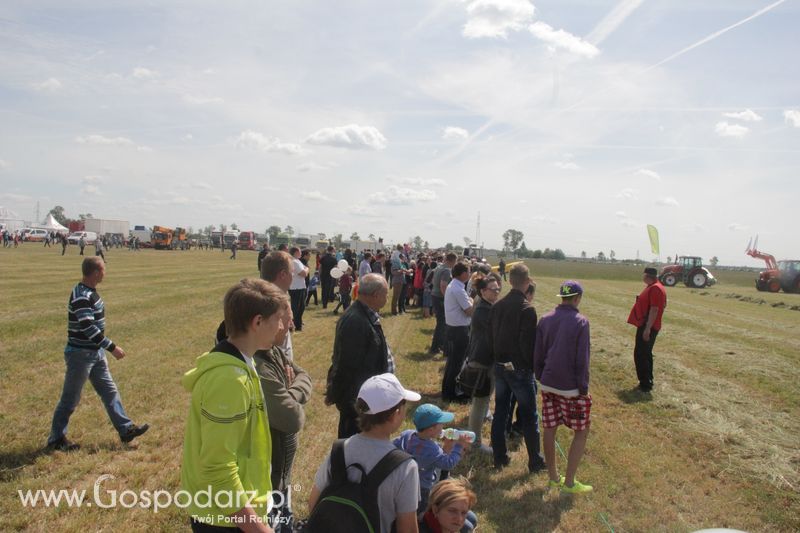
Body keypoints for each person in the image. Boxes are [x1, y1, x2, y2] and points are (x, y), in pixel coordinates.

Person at [181, 278, 284, 532]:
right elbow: (218, 468)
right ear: (257, 322)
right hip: (224, 519)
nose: (282, 326)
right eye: (277, 320)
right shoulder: (230, 380)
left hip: (235, 510)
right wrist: (258, 528)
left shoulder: (242, 364)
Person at [47, 257, 149, 451]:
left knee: (110, 391)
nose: (105, 273)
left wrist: (103, 349)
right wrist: (112, 348)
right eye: (103, 270)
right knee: (70, 398)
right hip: (80, 354)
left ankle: (126, 429)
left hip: (95, 353)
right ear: (95, 273)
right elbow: (88, 328)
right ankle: (56, 439)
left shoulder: (90, 293)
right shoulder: (81, 296)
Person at [309, 373, 421, 533]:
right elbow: (408, 529)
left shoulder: (339, 450)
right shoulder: (405, 466)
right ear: (395, 414)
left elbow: (313, 504)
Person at [254, 304, 313, 532]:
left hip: (281, 474)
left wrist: (288, 392)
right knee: (274, 519)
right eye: (284, 320)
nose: (290, 325)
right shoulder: (261, 364)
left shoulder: (275, 351)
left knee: (283, 513)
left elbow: (304, 375)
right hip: (269, 475)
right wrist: (290, 393)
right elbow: (292, 418)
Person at [535, 280, 593, 494]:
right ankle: (569, 482)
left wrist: (540, 376)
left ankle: (552, 478)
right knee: (582, 429)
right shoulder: (581, 322)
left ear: (562, 297)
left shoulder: (545, 319)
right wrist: (583, 388)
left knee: (550, 427)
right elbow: (582, 359)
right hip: (570, 388)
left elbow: (538, 352)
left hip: (548, 383)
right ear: (577, 298)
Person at [488, 263, 545, 472]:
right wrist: (530, 369)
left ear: (509, 281)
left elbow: (492, 336)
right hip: (519, 370)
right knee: (530, 416)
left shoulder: (497, 306)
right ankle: (535, 461)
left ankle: (499, 456)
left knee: (501, 412)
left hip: (500, 365)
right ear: (527, 281)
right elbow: (527, 345)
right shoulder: (527, 309)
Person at [325, 273, 393, 438]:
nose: (387, 297)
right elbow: (346, 365)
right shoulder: (356, 321)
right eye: (385, 294)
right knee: (355, 445)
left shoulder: (365, 314)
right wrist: (349, 402)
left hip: (367, 396)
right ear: (376, 295)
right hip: (358, 402)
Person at [393, 404, 471, 517]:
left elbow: (393, 445)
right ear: (431, 429)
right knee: (421, 511)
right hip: (423, 487)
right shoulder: (432, 449)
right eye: (441, 424)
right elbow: (448, 464)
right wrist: (458, 447)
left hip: (404, 482)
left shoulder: (407, 435)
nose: (443, 425)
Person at [465, 275, 502, 454]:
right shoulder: (484, 311)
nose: (497, 292)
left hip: (483, 359)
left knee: (482, 401)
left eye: (498, 289)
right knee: (480, 403)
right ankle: (475, 443)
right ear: (482, 291)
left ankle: (474, 440)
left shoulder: (485, 306)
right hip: (482, 361)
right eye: (493, 289)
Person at [627, 266, 667, 392]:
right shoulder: (655, 287)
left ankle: (645, 384)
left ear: (647, 276)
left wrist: (647, 328)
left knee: (641, 354)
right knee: (645, 353)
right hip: (647, 324)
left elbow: (655, 309)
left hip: (648, 326)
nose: (642, 277)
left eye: (643, 275)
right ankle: (647, 380)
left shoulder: (655, 288)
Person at [442, 261, 473, 402]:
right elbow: (469, 311)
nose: (470, 273)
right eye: (468, 271)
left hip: (453, 328)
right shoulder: (458, 289)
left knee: (452, 362)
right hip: (459, 330)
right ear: (463, 274)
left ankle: (447, 391)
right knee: (456, 363)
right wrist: (475, 301)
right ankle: (451, 394)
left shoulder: (454, 285)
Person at [261, 251, 296, 361]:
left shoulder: (282, 296)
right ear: (283, 274)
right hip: (275, 365)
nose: (293, 276)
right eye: (292, 272)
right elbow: (272, 343)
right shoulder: (270, 303)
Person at [430, 253, 457, 355]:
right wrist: (447, 298)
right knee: (441, 323)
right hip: (440, 297)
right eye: (455, 262)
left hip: (435, 294)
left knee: (441, 322)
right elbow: (443, 285)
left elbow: (433, 281)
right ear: (452, 261)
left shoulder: (439, 267)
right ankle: (435, 347)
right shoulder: (446, 270)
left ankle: (439, 344)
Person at [288, 247, 309, 331]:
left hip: (299, 286)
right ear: (296, 252)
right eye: (300, 252)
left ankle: (298, 324)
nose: (301, 253)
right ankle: (294, 325)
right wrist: (307, 269)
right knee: (297, 308)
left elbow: (304, 269)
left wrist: (306, 269)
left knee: (301, 307)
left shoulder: (297, 260)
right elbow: (303, 273)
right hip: (296, 287)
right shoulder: (294, 261)